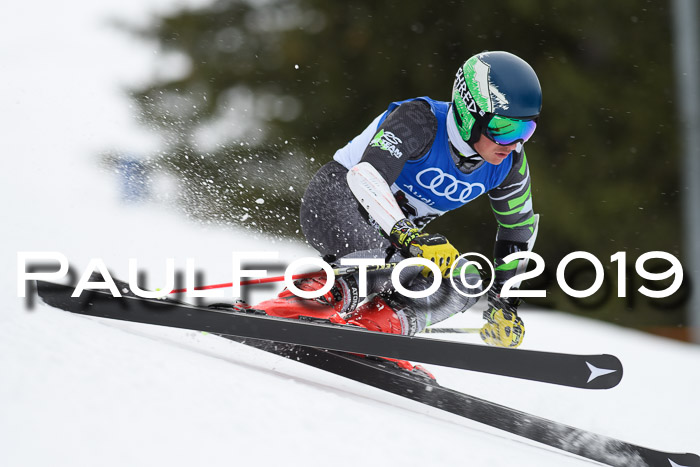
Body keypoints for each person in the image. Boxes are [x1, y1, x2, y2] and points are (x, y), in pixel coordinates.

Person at [255, 51, 541, 370]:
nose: (514, 143)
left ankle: (377, 329)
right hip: (337, 200)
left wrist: (504, 302)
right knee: (399, 258)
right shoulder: (419, 120)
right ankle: (304, 303)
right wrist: (409, 238)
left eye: (525, 130)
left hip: (397, 239)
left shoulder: (509, 164)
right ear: (468, 112)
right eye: (504, 128)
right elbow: (365, 176)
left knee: (469, 277)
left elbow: (518, 229)